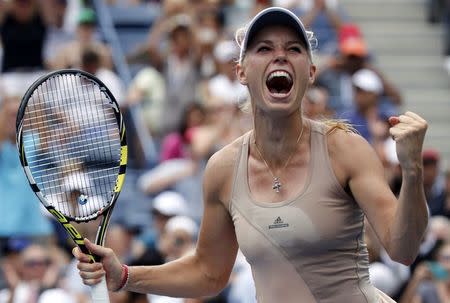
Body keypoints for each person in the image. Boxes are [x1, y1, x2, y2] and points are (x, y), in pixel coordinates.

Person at [73, 7, 429, 302]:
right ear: (241, 72)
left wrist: (412, 173)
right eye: (264, 48)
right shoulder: (223, 169)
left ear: (311, 72)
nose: (280, 55)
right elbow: (209, 273)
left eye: (294, 49)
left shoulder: (344, 148)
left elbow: (403, 248)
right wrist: (124, 275)